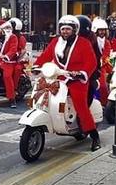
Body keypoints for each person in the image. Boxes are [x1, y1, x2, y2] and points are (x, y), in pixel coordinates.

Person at [34, 15, 100, 151]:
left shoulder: (83, 42)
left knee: (80, 104)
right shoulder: (55, 42)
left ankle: (94, 136)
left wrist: (82, 73)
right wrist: (36, 66)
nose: (65, 32)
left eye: (68, 29)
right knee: (41, 91)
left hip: (77, 79)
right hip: (59, 77)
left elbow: (91, 62)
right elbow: (45, 55)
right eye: (63, 29)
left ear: (74, 30)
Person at [91, 18, 112, 105]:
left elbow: (106, 54)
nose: (102, 32)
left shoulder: (106, 42)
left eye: (103, 30)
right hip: (91, 66)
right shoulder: (92, 41)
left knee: (103, 86)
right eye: (100, 30)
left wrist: (101, 61)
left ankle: (104, 103)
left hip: (102, 66)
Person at [10, 17, 28, 96]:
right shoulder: (7, 36)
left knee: (17, 69)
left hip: (17, 59)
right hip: (6, 58)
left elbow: (22, 50)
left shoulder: (21, 38)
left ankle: (14, 88)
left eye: (11, 26)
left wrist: (16, 56)